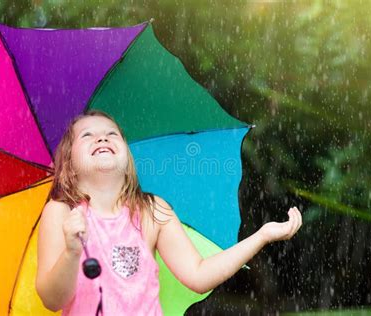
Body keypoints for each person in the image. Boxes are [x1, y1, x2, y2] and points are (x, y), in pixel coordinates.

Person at [35, 110, 302, 315]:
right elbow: (52, 299)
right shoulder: (61, 213)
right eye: (87, 135)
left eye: (112, 133)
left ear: (128, 158)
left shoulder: (151, 211)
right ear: (69, 164)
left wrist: (262, 235)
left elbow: (198, 275)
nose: (102, 137)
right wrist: (71, 252)